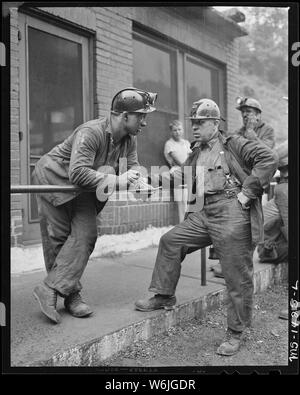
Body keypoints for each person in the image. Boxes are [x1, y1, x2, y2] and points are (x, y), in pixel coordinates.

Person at [135, 98, 278, 356]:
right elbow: (181, 174)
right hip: (204, 212)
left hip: (232, 210)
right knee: (171, 241)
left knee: (236, 274)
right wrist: (151, 180)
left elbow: (268, 159)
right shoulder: (197, 151)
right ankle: (164, 294)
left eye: (201, 123)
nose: (195, 128)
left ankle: (236, 331)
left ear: (215, 123)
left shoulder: (233, 144)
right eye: (194, 123)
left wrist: (248, 192)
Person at [32, 87, 157, 324]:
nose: (145, 122)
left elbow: (133, 167)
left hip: (85, 188)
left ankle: (48, 289)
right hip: (54, 179)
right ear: (123, 115)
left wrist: (141, 182)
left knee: (86, 234)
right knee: (58, 237)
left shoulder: (129, 140)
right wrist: (119, 181)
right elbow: (78, 172)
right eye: (141, 116)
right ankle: (72, 296)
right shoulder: (91, 132)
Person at [212, 96, 276, 278]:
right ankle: (230, 262)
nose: (245, 116)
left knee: (252, 224)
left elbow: (269, 155)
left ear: (258, 114)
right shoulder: (238, 131)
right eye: (243, 113)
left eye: (248, 112)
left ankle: (238, 266)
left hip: (257, 181)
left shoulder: (267, 130)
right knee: (235, 222)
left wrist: (252, 134)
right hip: (240, 182)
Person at [164, 120, 191, 222]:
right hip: (177, 171)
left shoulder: (186, 143)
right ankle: (182, 223)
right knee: (180, 200)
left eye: (179, 129)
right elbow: (177, 159)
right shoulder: (169, 144)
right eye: (175, 130)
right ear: (171, 132)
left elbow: (190, 157)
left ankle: (189, 224)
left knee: (189, 199)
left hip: (188, 171)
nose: (177, 132)